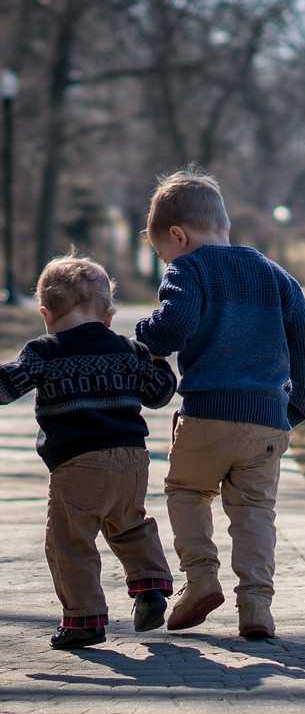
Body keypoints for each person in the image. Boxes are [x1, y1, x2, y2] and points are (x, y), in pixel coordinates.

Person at [135, 167, 305, 639]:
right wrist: (297, 403)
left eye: (162, 254)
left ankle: (200, 580)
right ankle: (256, 605)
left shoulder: (189, 268)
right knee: (256, 510)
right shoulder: (273, 273)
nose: (165, 261)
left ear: (179, 236)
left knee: (187, 492)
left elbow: (172, 327)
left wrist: (145, 335)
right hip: (266, 420)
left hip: (207, 414)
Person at [0, 255, 176, 650]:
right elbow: (160, 394)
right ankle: (150, 587)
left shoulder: (43, 351)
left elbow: (7, 387)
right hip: (132, 460)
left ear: (46, 313)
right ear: (109, 315)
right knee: (129, 524)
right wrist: (158, 359)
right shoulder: (128, 349)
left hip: (78, 464)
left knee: (69, 542)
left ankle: (84, 619)